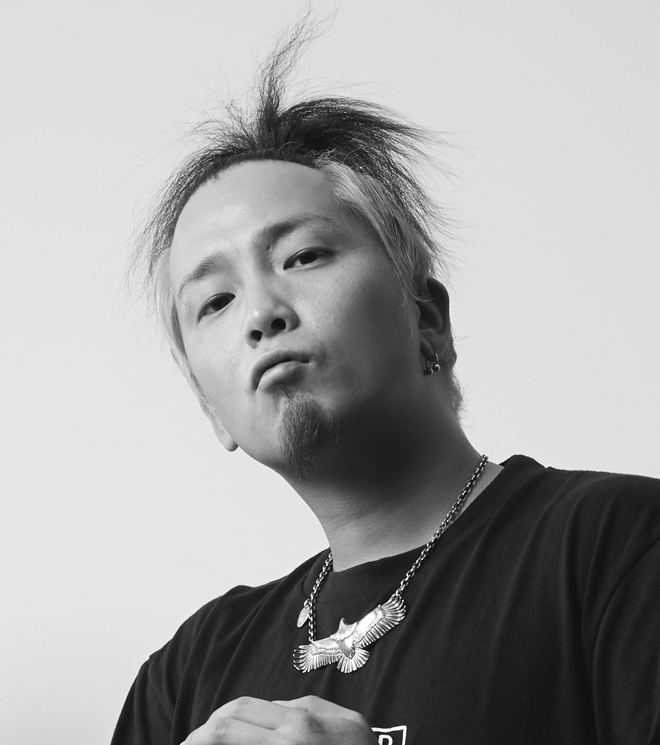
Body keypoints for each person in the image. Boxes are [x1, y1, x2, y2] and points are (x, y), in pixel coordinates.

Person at [113, 22, 660, 745]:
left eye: (304, 256)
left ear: (426, 318)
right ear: (211, 409)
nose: (261, 313)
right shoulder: (184, 678)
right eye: (214, 301)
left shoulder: (620, 547)